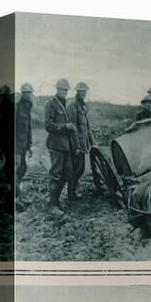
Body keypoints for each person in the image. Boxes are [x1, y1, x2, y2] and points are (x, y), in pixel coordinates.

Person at [44, 78, 78, 216]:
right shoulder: (51, 104)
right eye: (62, 89)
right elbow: (48, 126)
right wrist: (65, 126)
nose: (64, 92)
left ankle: (55, 201)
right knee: (56, 175)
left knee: (68, 173)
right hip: (56, 145)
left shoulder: (64, 105)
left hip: (66, 146)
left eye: (65, 90)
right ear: (57, 89)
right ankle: (52, 205)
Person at [67, 82, 94, 203]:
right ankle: (71, 195)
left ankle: (72, 193)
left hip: (83, 144)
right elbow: (73, 128)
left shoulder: (82, 105)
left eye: (85, 91)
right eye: (81, 91)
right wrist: (76, 146)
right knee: (76, 170)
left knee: (80, 169)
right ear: (77, 91)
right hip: (77, 145)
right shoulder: (73, 105)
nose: (83, 93)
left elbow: (86, 127)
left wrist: (91, 141)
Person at [15, 83, 34, 209]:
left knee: (22, 170)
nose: (27, 94)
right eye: (25, 92)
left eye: (29, 92)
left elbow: (28, 129)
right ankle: (16, 200)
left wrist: (29, 146)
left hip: (23, 147)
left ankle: (17, 197)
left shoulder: (27, 108)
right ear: (22, 93)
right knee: (15, 172)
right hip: (16, 147)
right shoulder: (16, 108)